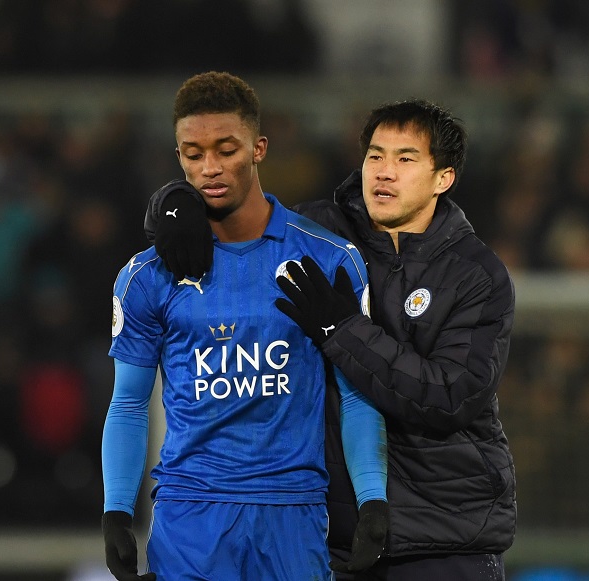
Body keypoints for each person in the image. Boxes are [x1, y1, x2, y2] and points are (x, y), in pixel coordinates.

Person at [145, 97, 517, 580]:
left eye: (405, 159)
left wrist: (343, 330)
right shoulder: (319, 235)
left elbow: (450, 396)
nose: (384, 172)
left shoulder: (475, 275)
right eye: (375, 156)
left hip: (446, 536)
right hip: (335, 537)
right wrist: (171, 205)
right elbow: (236, 212)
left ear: (442, 178)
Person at [101, 71, 389, 581]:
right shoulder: (148, 276)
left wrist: (372, 499)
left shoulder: (327, 259)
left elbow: (356, 393)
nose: (209, 168)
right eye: (193, 154)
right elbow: (128, 402)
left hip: (293, 513)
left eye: (226, 149)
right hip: (190, 516)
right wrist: (117, 512)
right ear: (178, 157)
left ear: (258, 149)